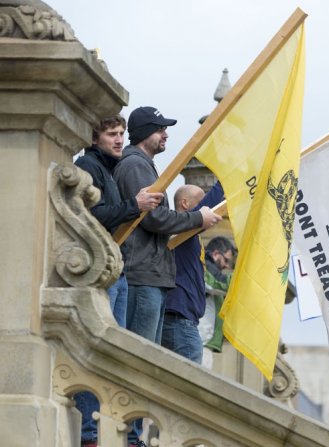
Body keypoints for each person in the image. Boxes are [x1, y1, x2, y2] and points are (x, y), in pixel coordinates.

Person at [113, 106, 222, 446]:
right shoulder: (134, 164)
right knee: (139, 361)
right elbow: (154, 219)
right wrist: (196, 220)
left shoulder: (143, 165)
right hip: (142, 276)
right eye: (161, 129)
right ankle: (129, 436)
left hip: (153, 278)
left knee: (147, 364)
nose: (166, 135)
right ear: (146, 132)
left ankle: (134, 434)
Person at [73, 115, 163, 447]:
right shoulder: (88, 166)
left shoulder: (107, 169)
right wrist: (133, 205)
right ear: (94, 137)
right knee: (96, 350)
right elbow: (92, 217)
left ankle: (104, 432)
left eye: (122, 133)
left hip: (116, 271)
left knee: (114, 355)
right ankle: (90, 435)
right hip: (101, 272)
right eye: (112, 134)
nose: (119, 139)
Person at [161, 183, 224, 364]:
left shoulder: (191, 235)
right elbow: (211, 204)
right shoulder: (182, 230)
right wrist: (226, 180)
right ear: (185, 204)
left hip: (184, 319)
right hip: (180, 320)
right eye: (200, 201)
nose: (207, 207)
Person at [201, 236, 236, 354]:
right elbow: (220, 283)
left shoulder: (208, 268)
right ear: (216, 254)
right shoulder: (206, 266)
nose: (226, 266)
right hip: (201, 338)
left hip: (203, 339)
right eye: (226, 260)